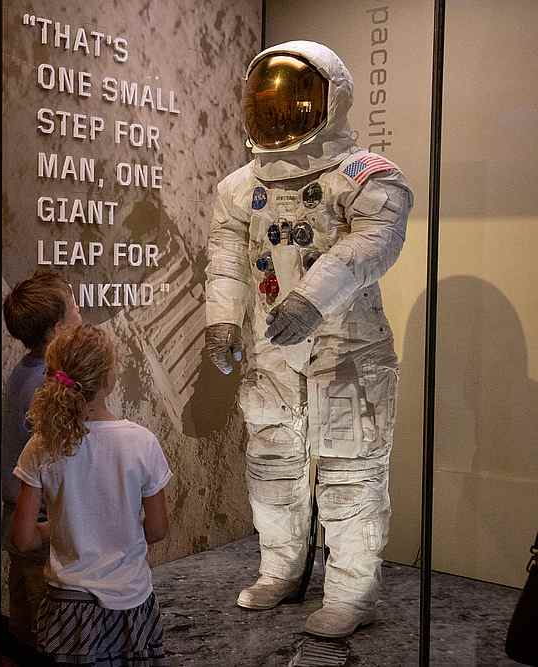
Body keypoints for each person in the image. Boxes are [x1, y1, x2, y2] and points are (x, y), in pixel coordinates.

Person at [203, 41, 413, 638]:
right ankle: (280, 569)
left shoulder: (369, 177)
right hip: (274, 347)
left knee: (351, 469)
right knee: (272, 462)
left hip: (348, 347)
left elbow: (371, 244)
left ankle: (351, 590)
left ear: (330, 99)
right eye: (264, 103)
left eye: (291, 101)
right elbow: (224, 258)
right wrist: (221, 320)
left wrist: (309, 299)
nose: (276, 114)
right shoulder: (240, 187)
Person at [12, 323, 171, 666]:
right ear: (109, 378)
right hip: (131, 603)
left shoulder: (41, 445)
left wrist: (61, 528)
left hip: (66, 608)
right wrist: (118, 534)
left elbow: (23, 539)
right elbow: (158, 529)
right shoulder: (142, 443)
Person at [1, 270, 81, 646]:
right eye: (75, 306)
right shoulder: (48, 386)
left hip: (24, 519)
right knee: (49, 632)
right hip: (43, 526)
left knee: (27, 621)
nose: (81, 312)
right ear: (57, 326)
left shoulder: (25, 371)